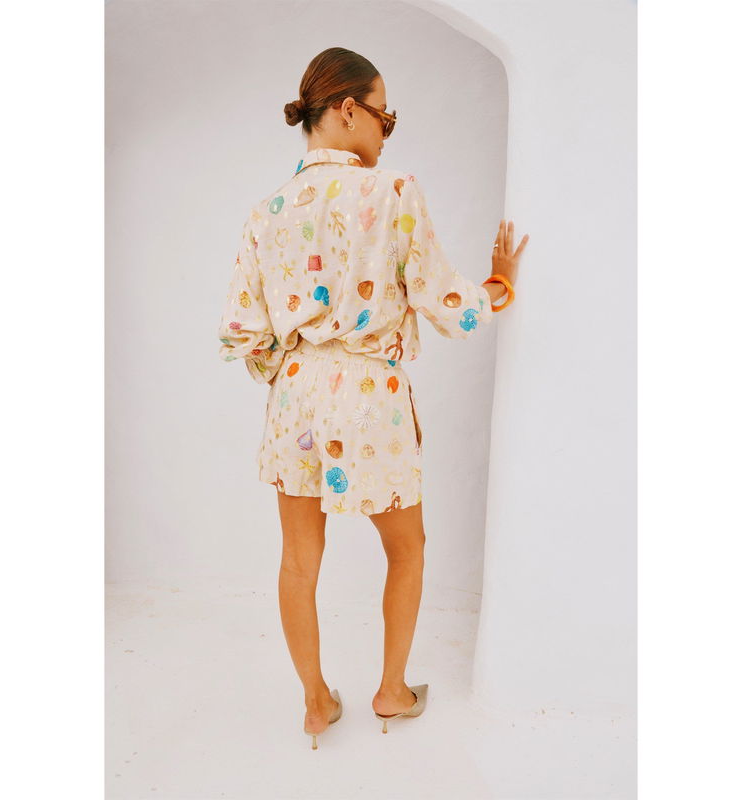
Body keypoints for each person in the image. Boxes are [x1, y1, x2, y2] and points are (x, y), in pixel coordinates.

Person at [216, 47, 529, 748]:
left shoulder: (266, 212)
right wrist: (499, 284)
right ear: (348, 109)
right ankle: (391, 690)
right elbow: (446, 303)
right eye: (385, 115)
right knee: (407, 548)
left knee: (298, 559)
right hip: (371, 395)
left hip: (295, 399)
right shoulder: (392, 192)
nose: (388, 130)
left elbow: (241, 331)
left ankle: (315, 702)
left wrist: (295, 367)